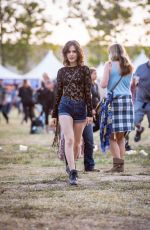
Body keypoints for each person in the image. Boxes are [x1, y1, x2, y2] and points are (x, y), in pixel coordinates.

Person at [51, 40, 93, 185]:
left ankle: (70, 165)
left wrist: (90, 113)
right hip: (65, 106)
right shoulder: (61, 71)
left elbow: (88, 93)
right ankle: (73, 173)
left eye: (74, 51)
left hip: (81, 107)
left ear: (78, 53)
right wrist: (54, 114)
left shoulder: (85, 70)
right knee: (68, 139)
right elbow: (58, 93)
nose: (71, 54)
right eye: (68, 51)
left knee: (76, 143)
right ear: (65, 54)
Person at [100, 43, 134, 173]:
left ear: (112, 52)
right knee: (121, 136)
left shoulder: (108, 65)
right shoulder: (129, 66)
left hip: (113, 101)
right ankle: (121, 166)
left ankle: (116, 165)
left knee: (110, 136)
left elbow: (103, 84)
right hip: (126, 101)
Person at [83, 67, 100, 172]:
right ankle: (71, 168)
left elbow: (96, 97)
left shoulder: (96, 84)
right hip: (83, 113)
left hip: (91, 113)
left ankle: (89, 166)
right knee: (75, 142)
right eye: (94, 73)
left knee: (89, 141)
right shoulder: (87, 84)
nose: (96, 75)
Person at [133, 53, 150, 142]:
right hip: (140, 100)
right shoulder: (141, 68)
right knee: (135, 121)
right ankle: (139, 130)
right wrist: (135, 82)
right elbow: (135, 80)